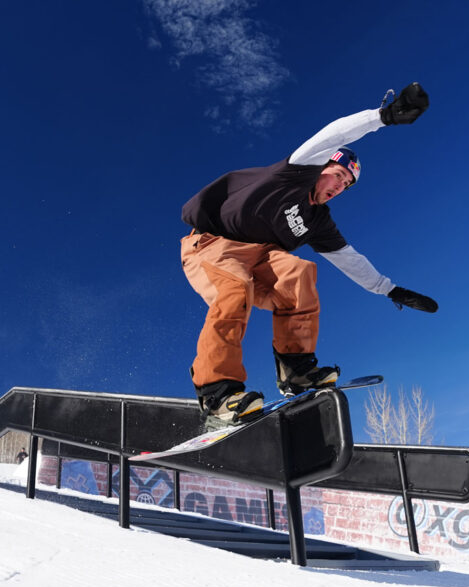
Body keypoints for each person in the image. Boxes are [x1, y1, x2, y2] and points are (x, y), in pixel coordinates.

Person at [181, 82, 439, 425]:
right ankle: (216, 391)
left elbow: (350, 259)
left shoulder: (318, 222)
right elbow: (333, 135)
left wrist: (389, 289)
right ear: (321, 168)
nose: (338, 188)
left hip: (260, 258)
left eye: (345, 186)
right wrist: (383, 116)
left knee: (299, 273)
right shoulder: (295, 173)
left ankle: (296, 370)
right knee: (235, 288)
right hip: (214, 246)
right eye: (337, 176)